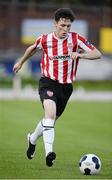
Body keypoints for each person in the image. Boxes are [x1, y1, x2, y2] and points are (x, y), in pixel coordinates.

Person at [13, 8, 102, 167]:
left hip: (66, 87)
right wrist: (21, 62)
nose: (66, 29)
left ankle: (32, 139)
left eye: (68, 26)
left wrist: (81, 55)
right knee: (50, 114)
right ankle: (49, 153)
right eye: (62, 25)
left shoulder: (76, 39)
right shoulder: (45, 39)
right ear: (55, 24)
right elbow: (31, 49)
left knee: (50, 121)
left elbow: (97, 54)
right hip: (48, 81)